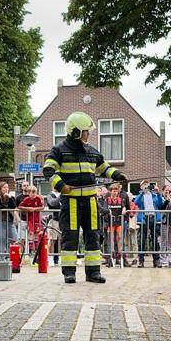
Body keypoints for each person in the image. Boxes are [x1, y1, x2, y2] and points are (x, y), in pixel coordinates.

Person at [43, 111, 127, 284]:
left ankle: (93, 272)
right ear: (76, 132)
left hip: (90, 202)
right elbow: (48, 170)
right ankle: (69, 273)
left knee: (93, 237)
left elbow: (104, 167)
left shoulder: (92, 151)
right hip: (71, 202)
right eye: (86, 131)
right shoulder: (59, 150)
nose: (89, 134)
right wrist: (61, 186)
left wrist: (118, 174)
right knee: (70, 237)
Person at [133, 182, 165, 267]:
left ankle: (156, 260)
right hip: (144, 219)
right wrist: (142, 193)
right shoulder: (140, 195)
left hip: (153, 218)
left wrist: (158, 193)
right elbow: (135, 202)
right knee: (142, 240)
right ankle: (141, 260)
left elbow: (160, 204)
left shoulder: (154, 195)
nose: (146, 187)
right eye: (144, 185)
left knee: (155, 240)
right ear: (141, 187)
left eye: (147, 185)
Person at [18, 184, 45, 262]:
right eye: (31, 192)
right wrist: (28, 208)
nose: (33, 194)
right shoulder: (26, 199)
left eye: (34, 192)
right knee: (31, 234)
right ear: (28, 193)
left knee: (37, 235)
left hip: (37, 220)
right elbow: (20, 207)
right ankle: (30, 252)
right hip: (30, 220)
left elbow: (42, 207)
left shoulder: (38, 199)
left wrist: (35, 209)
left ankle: (37, 252)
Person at [0, 181, 18, 258]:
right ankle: (2, 259)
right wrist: (7, 208)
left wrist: (9, 198)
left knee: (15, 239)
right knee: (2, 241)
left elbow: (13, 206)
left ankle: (13, 257)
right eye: (4, 187)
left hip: (9, 222)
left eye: (7, 187)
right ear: (0, 188)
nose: (6, 189)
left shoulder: (11, 197)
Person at [105, 183, 127, 266]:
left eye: (116, 191)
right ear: (110, 192)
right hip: (110, 222)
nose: (115, 193)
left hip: (118, 221)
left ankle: (119, 254)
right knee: (111, 238)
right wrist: (108, 211)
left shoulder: (120, 199)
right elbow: (105, 207)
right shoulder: (107, 199)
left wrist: (124, 210)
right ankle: (112, 254)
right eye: (113, 191)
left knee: (119, 237)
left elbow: (124, 206)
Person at [159, 185, 171, 267]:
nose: (168, 192)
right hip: (164, 221)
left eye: (169, 190)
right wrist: (167, 200)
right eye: (166, 190)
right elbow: (161, 208)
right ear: (163, 191)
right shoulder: (161, 198)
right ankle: (163, 259)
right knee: (164, 240)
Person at [45, 186, 62, 266]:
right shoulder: (50, 195)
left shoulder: (63, 194)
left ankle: (57, 259)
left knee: (61, 241)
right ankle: (50, 258)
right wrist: (60, 198)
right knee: (52, 240)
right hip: (54, 220)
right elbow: (53, 203)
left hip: (63, 220)